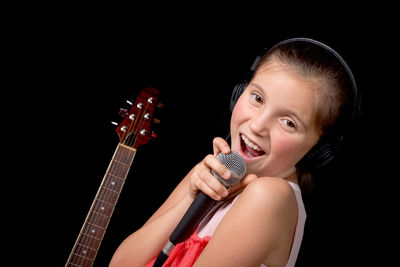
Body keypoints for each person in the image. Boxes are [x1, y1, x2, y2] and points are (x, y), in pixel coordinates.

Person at [109, 38, 359, 267]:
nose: (258, 125)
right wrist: (191, 197)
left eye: (289, 122)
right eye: (258, 98)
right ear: (238, 94)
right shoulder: (212, 172)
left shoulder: (271, 196)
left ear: (319, 151)